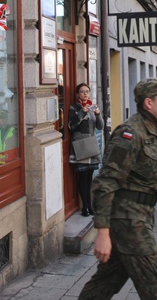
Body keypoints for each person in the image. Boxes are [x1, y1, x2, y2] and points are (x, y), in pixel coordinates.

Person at [79, 78, 157, 300]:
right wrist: (103, 232)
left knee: (104, 284)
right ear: (148, 102)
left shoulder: (156, 132)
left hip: (140, 217)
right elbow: (104, 184)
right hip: (128, 221)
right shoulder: (130, 133)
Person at [68, 83, 103, 216]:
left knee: (89, 177)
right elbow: (71, 125)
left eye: (87, 91)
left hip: (91, 145)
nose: (85, 94)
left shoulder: (93, 106)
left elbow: (100, 126)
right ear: (77, 94)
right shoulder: (74, 107)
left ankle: (90, 205)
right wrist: (82, 112)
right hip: (81, 146)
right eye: (82, 92)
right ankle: (85, 207)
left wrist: (98, 114)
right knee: (82, 177)